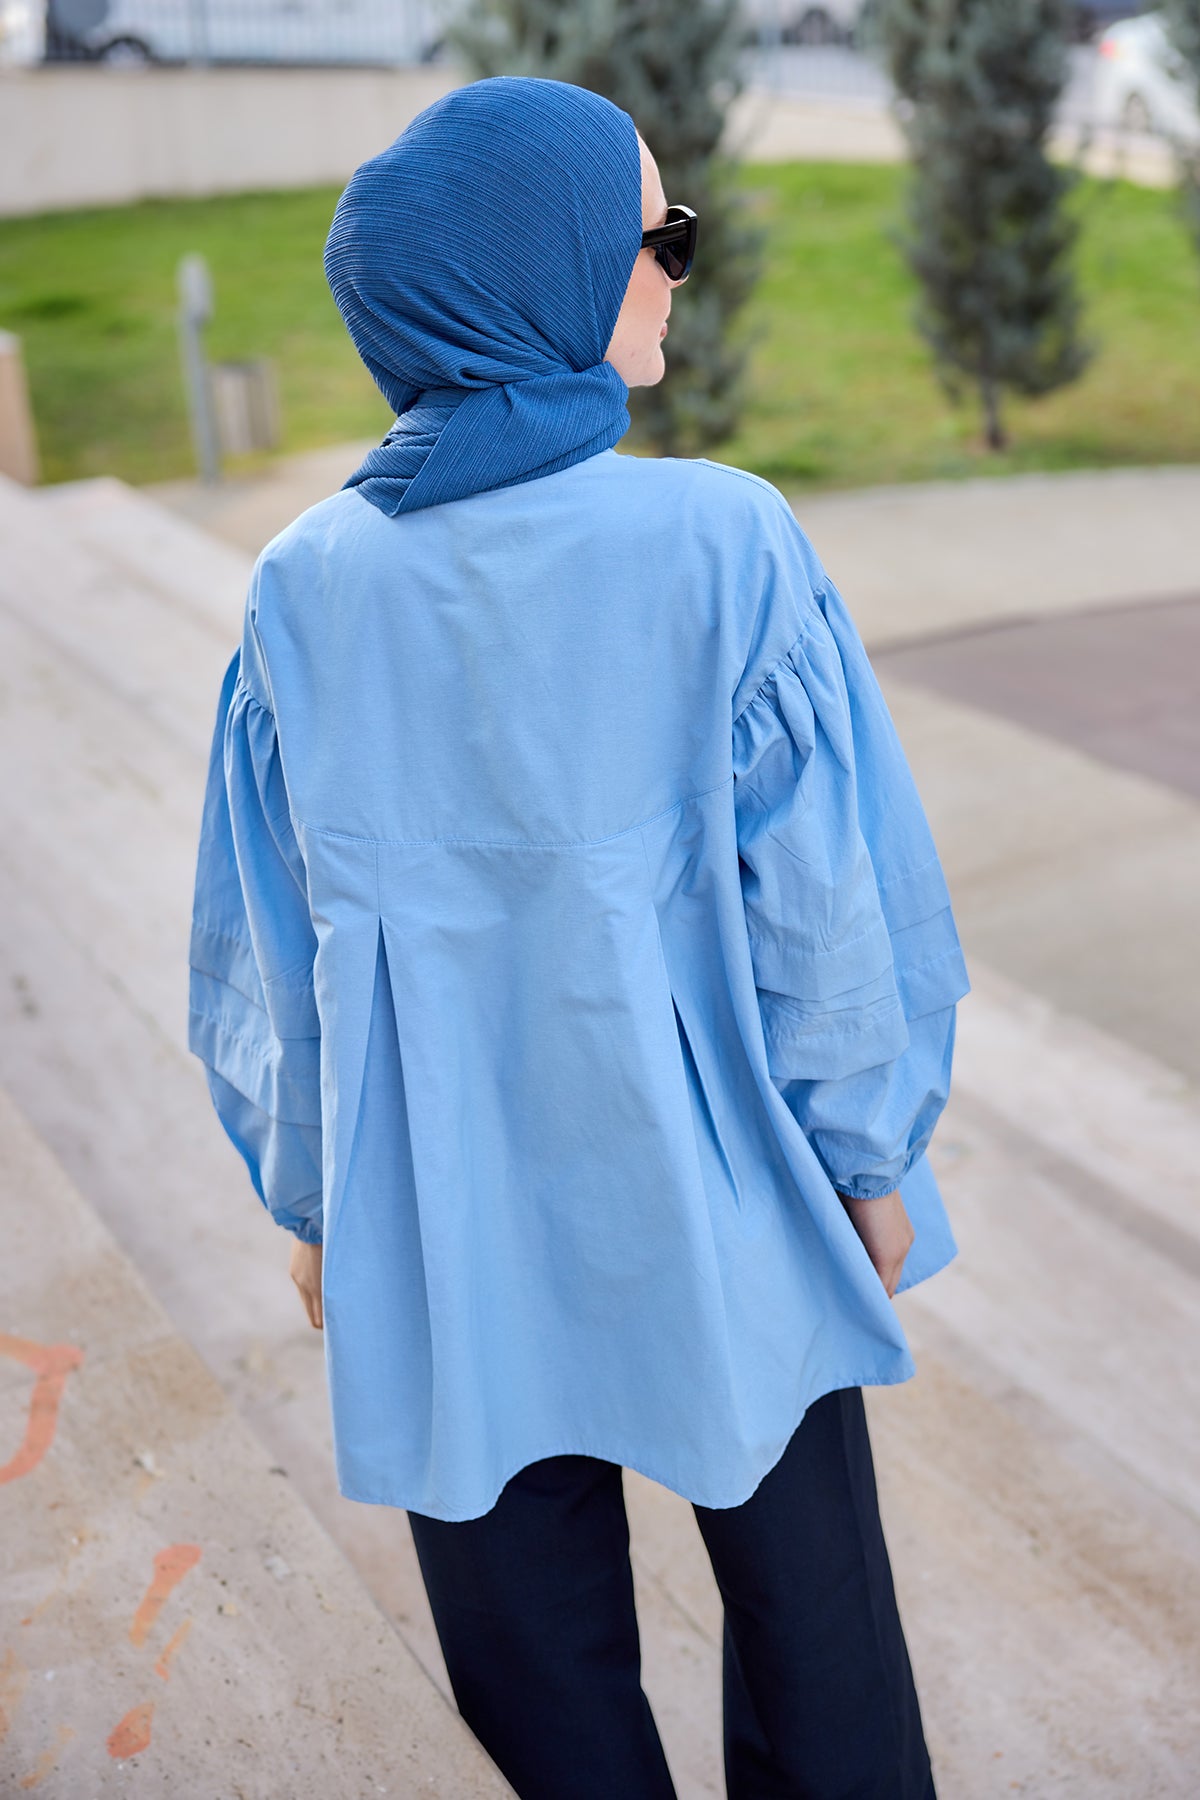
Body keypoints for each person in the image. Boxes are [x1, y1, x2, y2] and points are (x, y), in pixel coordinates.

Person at [188, 75, 969, 1800]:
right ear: (538, 271)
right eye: (658, 236)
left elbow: (269, 950)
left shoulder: (305, 587)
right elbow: (826, 905)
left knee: (533, 1668)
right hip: (722, 1184)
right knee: (820, 1637)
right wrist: (866, 1150)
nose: (679, 270)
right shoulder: (722, 541)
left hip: (443, 1206)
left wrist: (314, 1194)